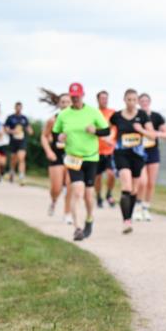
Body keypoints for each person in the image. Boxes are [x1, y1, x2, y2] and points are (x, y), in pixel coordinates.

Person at [52, 82, 111, 241]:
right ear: (70, 97)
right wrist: (59, 137)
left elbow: (107, 130)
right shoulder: (64, 115)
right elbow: (55, 133)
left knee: (88, 195)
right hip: (73, 158)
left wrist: (96, 131)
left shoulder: (93, 112)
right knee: (77, 191)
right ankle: (78, 228)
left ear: (83, 95)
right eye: (73, 97)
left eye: (78, 96)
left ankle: (89, 219)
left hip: (91, 157)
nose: (76, 99)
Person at [109, 89, 155, 234]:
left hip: (137, 156)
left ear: (137, 101)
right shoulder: (116, 116)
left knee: (135, 189)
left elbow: (152, 135)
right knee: (126, 186)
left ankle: (129, 215)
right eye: (129, 99)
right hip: (121, 154)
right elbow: (108, 131)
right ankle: (126, 221)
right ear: (124, 100)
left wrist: (141, 130)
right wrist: (106, 138)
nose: (131, 102)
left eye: (134, 100)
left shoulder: (142, 115)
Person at [134, 92, 166, 222]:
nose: (144, 103)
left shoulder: (156, 116)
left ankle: (146, 208)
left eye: (146, 101)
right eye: (141, 101)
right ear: (138, 102)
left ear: (149, 102)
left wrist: (154, 133)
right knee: (142, 181)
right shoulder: (136, 117)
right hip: (138, 151)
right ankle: (137, 206)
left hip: (153, 151)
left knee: (151, 183)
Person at [39, 89, 73, 222]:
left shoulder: (77, 120)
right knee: (56, 188)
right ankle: (53, 201)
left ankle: (67, 213)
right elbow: (43, 136)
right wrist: (49, 151)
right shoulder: (52, 121)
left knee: (70, 185)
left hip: (72, 155)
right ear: (58, 104)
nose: (65, 104)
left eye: (68, 102)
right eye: (62, 102)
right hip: (56, 155)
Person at [94, 90, 117, 209]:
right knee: (97, 177)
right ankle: (98, 196)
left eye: (106, 98)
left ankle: (109, 194)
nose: (104, 100)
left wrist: (111, 140)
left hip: (109, 151)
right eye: (102, 98)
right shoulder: (93, 113)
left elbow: (115, 128)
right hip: (96, 151)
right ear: (97, 99)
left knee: (111, 174)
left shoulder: (112, 113)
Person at [3, 102, 33, 185]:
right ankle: (12, 172)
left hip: (22, 141)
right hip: (13, 141)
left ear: (21, 108)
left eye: (20, 107)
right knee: (13, 159)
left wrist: (30, 131)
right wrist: (12, 131)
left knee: (21, 158)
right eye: (17, 107)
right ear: (15, 108)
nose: (18, 109)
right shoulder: (10, 117)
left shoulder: (24, 118)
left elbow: (28, 127)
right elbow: (5, 129)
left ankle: (21, 176)